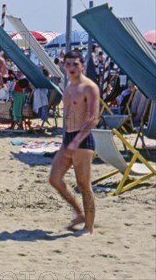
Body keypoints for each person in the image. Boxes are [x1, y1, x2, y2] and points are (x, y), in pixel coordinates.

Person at [49, 50, 99, 236]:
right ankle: (79, 214)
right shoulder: (69, 86)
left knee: (84, 184)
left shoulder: (89, 87)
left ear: (82, 66)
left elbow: (93, 118)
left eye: (75, 64)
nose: (71, 68)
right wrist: (68, 141)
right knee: (55, 178)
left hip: (82, 139)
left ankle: (89, 227)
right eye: (68, 64)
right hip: (68, 138)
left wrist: (77, 140)